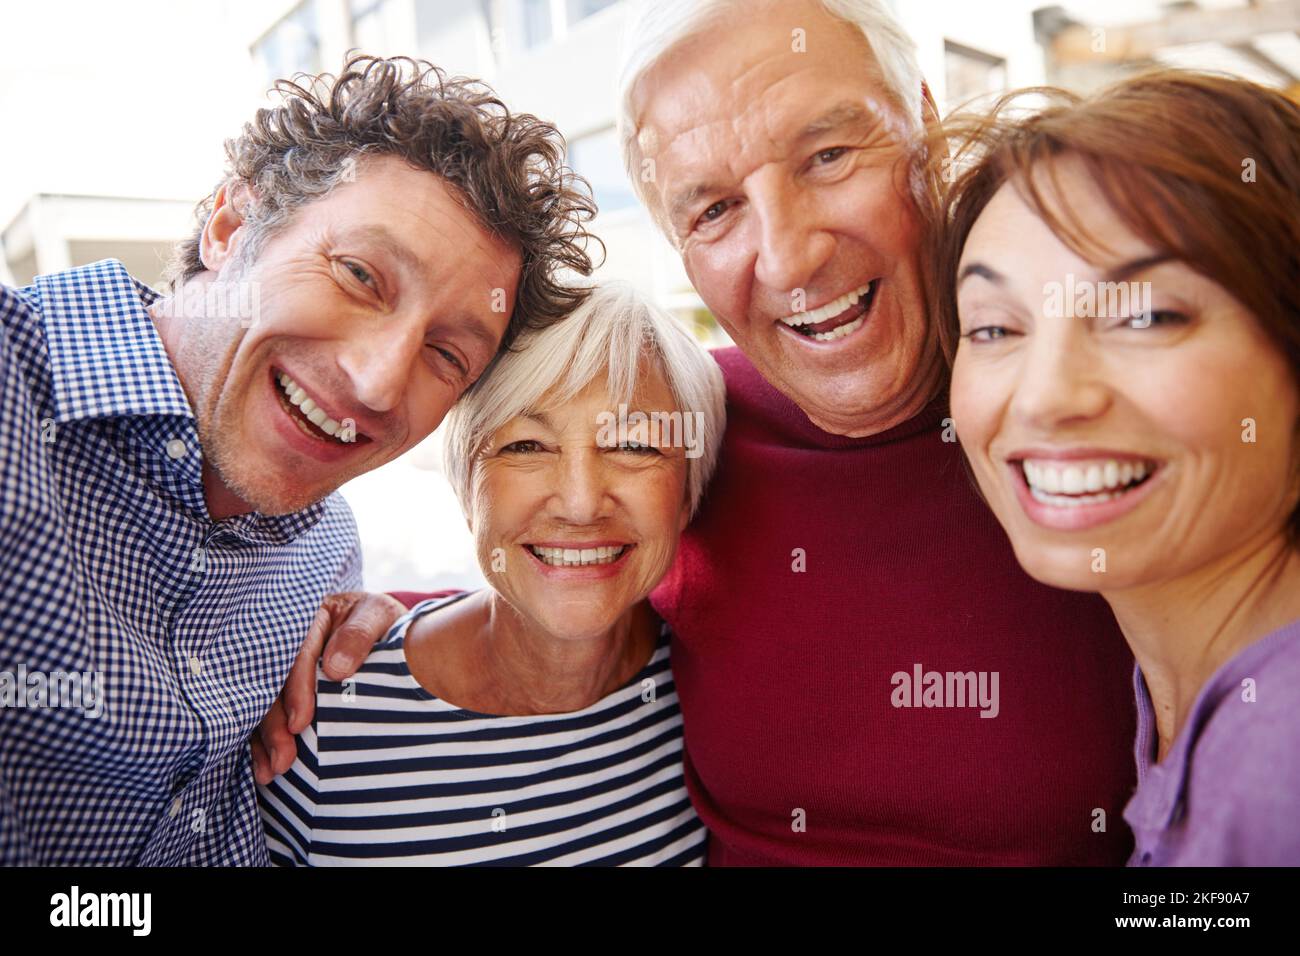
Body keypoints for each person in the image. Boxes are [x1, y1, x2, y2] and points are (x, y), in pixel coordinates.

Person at [264, 1, 1137, 865]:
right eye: (714, 210)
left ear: (924, 118)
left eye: (829, 155)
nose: (790, 258)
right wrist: (372, 634)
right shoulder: (689, 427)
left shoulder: (1095, 406)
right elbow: (561, 558)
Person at [0, 54, 596, 865]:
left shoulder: (324, 552)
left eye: (447, 355)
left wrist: (391, 642)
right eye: (358, 275)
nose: (380, 380)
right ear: (228, 227)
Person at [937, 71, 1300, 865]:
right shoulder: (1192, 705)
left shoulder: (1282, 766)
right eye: (995, 328)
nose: (1044, 399)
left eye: (1145, 316)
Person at [257, 282, 724, 865]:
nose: (580, 504)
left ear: (688, 493)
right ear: (467, 485)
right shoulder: (316, 718)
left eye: (634, 445)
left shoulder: (711, 690)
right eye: (527, 446)